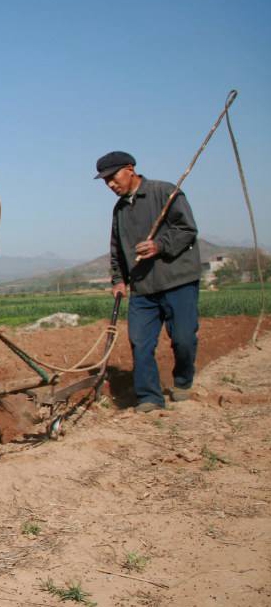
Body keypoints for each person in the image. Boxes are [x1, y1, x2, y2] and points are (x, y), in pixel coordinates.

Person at [96, 150, 201, 412]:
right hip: (142, 287)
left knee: (183, 339)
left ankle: (182, 381)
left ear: (130, 169)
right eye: (105, 181)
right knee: (140, 343)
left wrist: (159, 245)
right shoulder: (119, 210)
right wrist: (119, 280)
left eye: (113, 177)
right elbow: (116, 249)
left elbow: (187, 230)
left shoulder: (165, 192)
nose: (110, 184)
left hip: (178, 280)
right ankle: (150, 397)